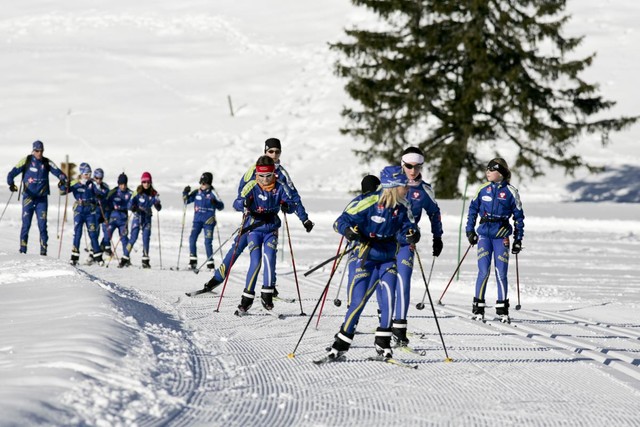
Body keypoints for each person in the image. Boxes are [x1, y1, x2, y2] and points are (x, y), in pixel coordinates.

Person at [322, 166, 418, 361]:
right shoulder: (367, 202)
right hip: (366, 255)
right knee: (358, 301)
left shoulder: (403, 206)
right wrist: (349, 232)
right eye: (403, 185)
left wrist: (412, 235)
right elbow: (339, 221)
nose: (407, 188)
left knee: (390, 298)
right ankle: (340, 344)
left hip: (388, 257)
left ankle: (383, 343)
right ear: (392, 186)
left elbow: (409, 228)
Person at [202, 138, 312, 293]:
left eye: (277, 151)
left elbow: (294, 196)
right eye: (270, 151)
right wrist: (246, 205)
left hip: (269, 221)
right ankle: (217, 278)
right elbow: (241, 192)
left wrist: (304, 218)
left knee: (269, 254)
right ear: (265, 151)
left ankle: (270, 287)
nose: (274, 155)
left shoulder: (281, 173)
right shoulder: (254, 169)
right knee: (236, 248)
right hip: (251, 220)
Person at [390, 146, 444, 346]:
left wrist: (437, 237)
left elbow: (434, 214)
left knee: (403, 282)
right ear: (402, 164)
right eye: (409, 166)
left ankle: (399, 327)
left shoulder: (424, 190)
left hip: (407, 242)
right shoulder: (391, 185)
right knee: (385, 282)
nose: (413, 170)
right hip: (386, 241)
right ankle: (384, 317)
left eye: (418, 166)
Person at [234, 155, 296, 314]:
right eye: (261, 176)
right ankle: (246, 300)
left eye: (268, 176)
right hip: (254, 229)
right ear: (256, 175)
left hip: (271, 230)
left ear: (273, 174)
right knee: (256, 261)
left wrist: (286, 206)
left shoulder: (280, 187)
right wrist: (243, 203)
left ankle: (267, 296)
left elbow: (291, 204)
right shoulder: (252, 186)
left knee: (270, 259)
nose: (265, 179)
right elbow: (236, 203)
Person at [466, 158, 525, 323]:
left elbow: (519, 217)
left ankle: (502, 309)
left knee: (501, 272)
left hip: (502, 235)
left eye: (492, 169)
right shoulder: (482, 189)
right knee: (483, 271)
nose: (488, 172)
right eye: (487, 169)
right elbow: (472, 211)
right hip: (484, 235)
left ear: (501, 173)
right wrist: (470, 231)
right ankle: (478, 307)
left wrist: (518, 239)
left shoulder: (511, 192)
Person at [6, 140, 67, 255]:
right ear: (33, 150)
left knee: (42, 225)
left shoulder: (46, 162)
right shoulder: (27, 160)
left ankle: (43, 251)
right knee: (26, 224)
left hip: (41, 199)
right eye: (37, 151)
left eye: (41, 151)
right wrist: (11, 183)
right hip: (28, 197)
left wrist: (63, 180)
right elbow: (12, 173)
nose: (39, 153)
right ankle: (23, 250)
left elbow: (59, 172)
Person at [183, 172, 225, 270]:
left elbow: (221, 206)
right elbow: (186, 201)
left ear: (209, 183)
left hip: (209, 221)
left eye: (204, 183)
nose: (202, 185)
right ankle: (193, 261)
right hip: (197, 221)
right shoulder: (197, 192)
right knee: (192, 238)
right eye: (201, 183)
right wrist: (185, 192)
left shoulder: (213, 193)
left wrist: (216, 203)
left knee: (207, 242)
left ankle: (210, 263)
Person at [66, 163, 104, 266]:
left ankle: (98, 256)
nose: (88, 176)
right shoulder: (75, 182)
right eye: (86, 174)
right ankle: (74, 256)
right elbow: (64, 191)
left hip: (89, 212)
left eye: (89, 173)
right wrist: (64, 184)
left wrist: (99, 191)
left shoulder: (91, 183)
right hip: (79, 211)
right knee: (77, 233)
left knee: (93, 233)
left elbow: (99, 192)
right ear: (82, 173)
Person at [126, 171, 162, 268]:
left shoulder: (154, 193)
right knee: (133, 237)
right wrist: (132, 207)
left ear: (150, 182)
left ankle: (145, 259)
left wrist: (158, 205)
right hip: (137, 217)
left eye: (148, 182)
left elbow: (158, 203)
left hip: (147, 217)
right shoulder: (137, 192)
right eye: (144, 182)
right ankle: (125, 257)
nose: (146, 184)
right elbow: (129, 204)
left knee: (146, 238)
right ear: (141, 182)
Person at [104, 173, 133, 268]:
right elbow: (106, 202)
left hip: (123, 219)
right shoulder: (113, 192)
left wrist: (134, 207)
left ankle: (126, 258)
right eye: (121, 184)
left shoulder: (130, 193)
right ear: (118, 184)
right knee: (107, 233)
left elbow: (135, 201)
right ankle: (106, 250)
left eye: (124, 184)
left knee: (124, 238)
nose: (123, 186)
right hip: (113, 217)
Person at [92, 168, 111, 256]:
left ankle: (105, 246)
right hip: (94, 211)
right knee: (95, 230)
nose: (99, 180)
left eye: (101, 178)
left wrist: (102, 198)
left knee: (107, 229)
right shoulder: (90, 185)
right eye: (97, 178)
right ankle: (93, 250)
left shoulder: (105, 187)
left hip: (103, 211)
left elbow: (108, 199)